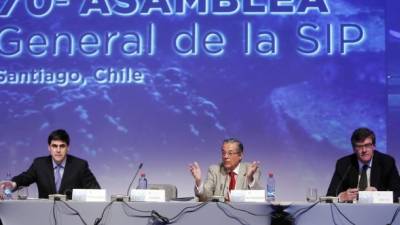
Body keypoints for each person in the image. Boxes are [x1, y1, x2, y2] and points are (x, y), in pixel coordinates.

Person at [0, 129, 100, 199]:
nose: (58, 150)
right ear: (49, 148)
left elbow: (97, 192)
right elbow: (25, 178)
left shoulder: (80, 165)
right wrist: (13, 184)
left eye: (62, 146)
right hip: (45, 217)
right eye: (54, 146)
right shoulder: (39, 164)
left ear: (68, 148)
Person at [327, 127, 400, 202]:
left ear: (373, 146)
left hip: (379, 211)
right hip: (350, 211)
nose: (364, 150)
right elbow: (330, 196)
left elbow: (398, 193)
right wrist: (341, 197)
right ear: (354, 149)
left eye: (367, 145)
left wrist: (377, 195)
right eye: (359, 146)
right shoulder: (343, 164)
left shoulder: (387, 162)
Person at [189, 138, 263, 201]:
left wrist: (250, 178)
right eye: (223, 153)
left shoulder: (251, 169)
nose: (225, 156)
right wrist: (198, 181)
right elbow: (205, 197)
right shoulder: (214, 170)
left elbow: (258, 198)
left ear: (240, 155)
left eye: (230, 153)